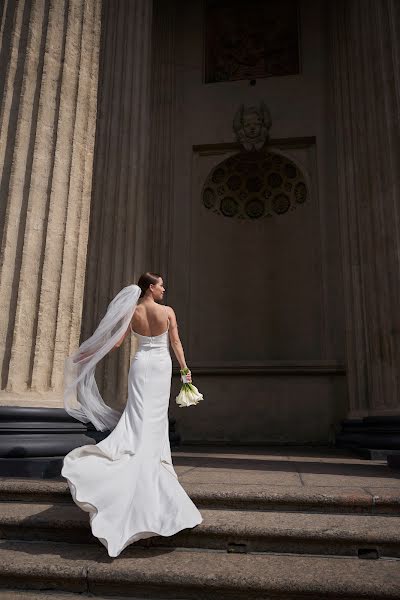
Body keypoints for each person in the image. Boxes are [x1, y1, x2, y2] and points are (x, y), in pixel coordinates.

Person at [61, 272, 203, 558]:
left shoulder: (133, 311)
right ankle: (154, 463)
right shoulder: (167, 312)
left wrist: (89, 354)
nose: (164, 289)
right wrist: (185, 372)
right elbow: (175, 344)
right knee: (155, 418)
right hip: (161, 366)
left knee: (138, 414)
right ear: (151, 287)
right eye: (161, 284)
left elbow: (115, 343)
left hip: (140, 365)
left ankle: (137, 453)